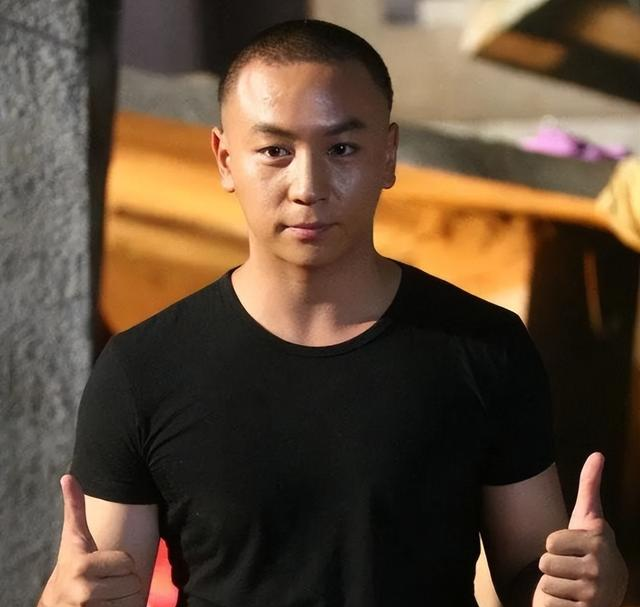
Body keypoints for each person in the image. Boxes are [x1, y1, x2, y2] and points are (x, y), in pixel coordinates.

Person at [38, 19, 628, 607]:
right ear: (224, 159)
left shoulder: (483, 346)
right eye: (275, 150)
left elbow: (534, 578)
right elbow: (106, 590)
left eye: (342, 149)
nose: (309, 186)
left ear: (388, 155)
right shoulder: (144, 369)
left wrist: (588, 589)